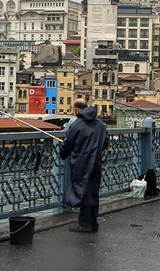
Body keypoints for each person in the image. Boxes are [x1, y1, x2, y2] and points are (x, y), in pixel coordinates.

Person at [59, 99, 109, 233]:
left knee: (82, 191)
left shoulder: (77, 124)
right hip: (96, 163)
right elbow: (105, 143)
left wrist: (63, 153)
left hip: (80, 163)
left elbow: (67, 143)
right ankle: (93, 223)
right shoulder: (100, 124)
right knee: (92, 192)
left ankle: (85, 224)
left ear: (77, 110)